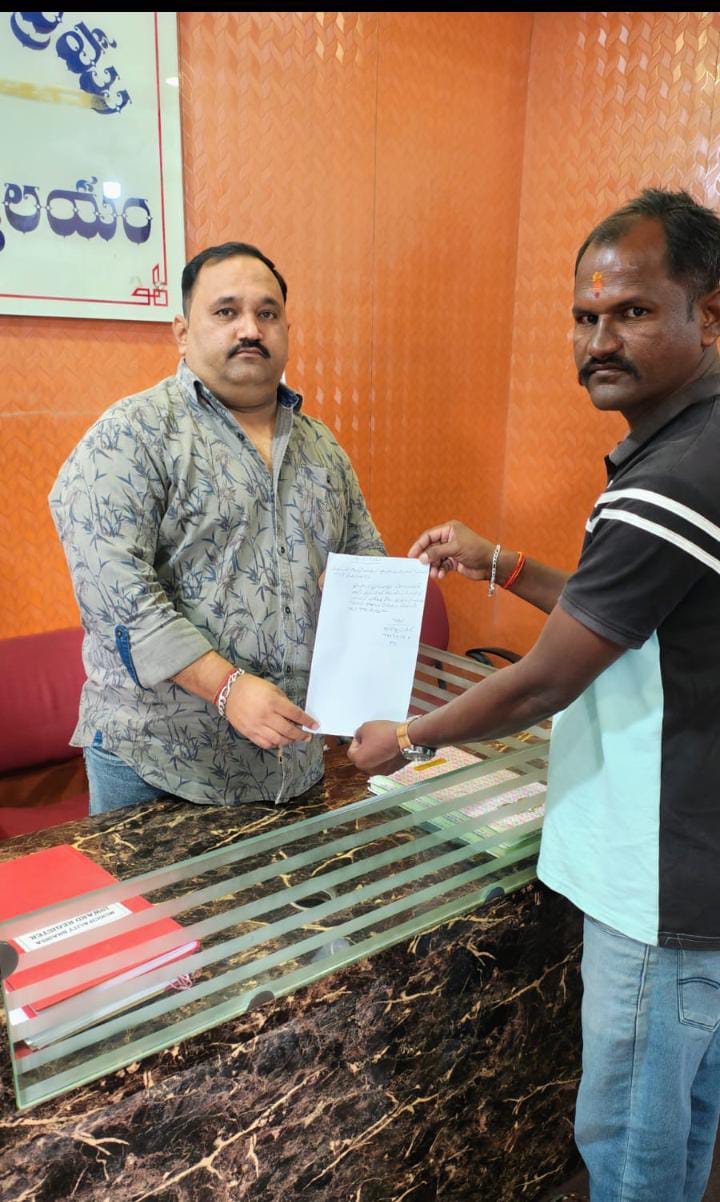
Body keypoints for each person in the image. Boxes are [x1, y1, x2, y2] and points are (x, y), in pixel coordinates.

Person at [348, 189, 720, 1202]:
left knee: (632, 1145)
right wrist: (502, 563)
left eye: (632, 311)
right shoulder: (688, 452)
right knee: (682, 1127)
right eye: (584, 316)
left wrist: (409, 736)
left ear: (707, 315)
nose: (600, 341)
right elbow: (628, 610)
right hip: (696, 865)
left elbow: (551, 675)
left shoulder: (674, 478)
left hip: (660, 885)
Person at [50, 241, 384, 814]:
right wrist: (226, 687)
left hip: (294, 756)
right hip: (159, 763)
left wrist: (369, 668)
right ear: (182, 332)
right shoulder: (132, 434)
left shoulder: (322, 449)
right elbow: (116, 593)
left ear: (286, 330)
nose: (250, 329)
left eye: (267, 313)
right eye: (226, 311)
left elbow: (365, 565)